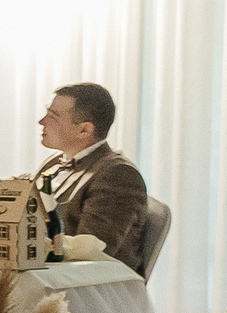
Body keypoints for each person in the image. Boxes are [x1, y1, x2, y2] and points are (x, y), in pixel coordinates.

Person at [35, 81, 151, 273]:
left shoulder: (117, 174)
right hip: (52, 274)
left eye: (53, 116)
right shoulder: (55, 161)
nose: (42, 122)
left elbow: (91, 252)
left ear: (84, 130)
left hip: (88, 287)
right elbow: (16, 186)